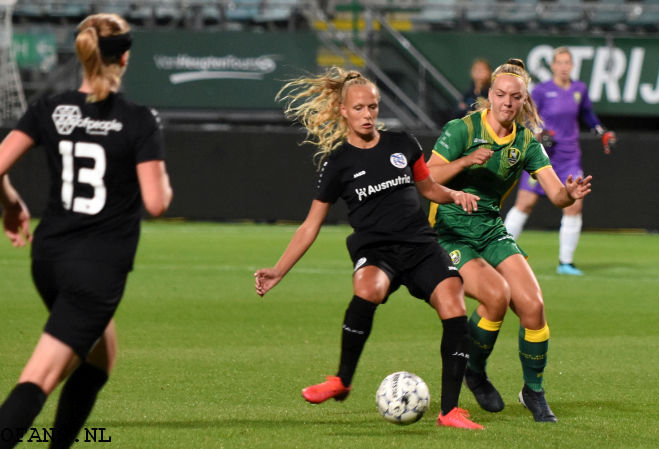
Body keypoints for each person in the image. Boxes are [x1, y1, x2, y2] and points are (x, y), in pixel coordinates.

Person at [0, 13, 172, 449]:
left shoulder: (50, 108)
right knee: (41, 375)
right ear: (124, 57)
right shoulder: (139, 119)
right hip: (97, 268)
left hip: (49, 258)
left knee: (100, 359)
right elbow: (158, 203)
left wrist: (11, 207)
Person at [254, 67, 484, 430]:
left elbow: (427, 189)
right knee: (368, 288)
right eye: (359, 108)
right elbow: (310, 225)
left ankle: (450, 411)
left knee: (454, 304)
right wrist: (278, 270)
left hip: (420, 245)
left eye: (373, 107)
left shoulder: (403, 144)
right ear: (343, 110)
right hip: (377, 249)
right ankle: (342, 380)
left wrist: (454, 194)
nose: (367, 115)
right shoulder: (337, 163)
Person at [427, 58, 593, 422]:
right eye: (500, 94)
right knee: (496, 297)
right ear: (489, 95)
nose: (506, 102)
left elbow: (555, 193)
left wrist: (570, 193)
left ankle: (533, 392)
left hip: (490, 229)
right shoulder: (462, 129)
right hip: (450, 230)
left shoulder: (527, 143)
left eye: (515, 97)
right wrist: (465, 162)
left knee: (533, 306)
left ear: (523, 101)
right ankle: (474, 370)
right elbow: (427, 175)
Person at [504, 47, 616, 276]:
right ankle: (499, 252)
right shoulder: (542, 91)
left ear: (572, 66)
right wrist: (539, 134)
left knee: (575, 205)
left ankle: (566, 262)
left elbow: (587, 115)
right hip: (542, 157)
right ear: (553, 65)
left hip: (569, 157)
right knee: (524, 204)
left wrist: (600, 132)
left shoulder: (579, 89)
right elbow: (526, 118)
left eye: (567, 63)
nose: (564, 67)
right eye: (560, 63)